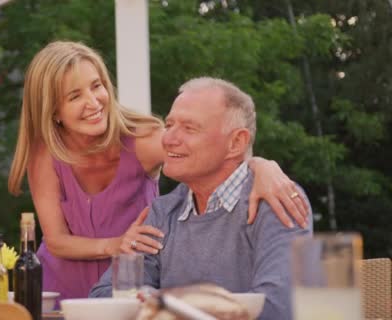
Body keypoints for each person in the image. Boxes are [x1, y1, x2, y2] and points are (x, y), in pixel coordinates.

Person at [7, 41, 309, 301]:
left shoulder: (142, 143)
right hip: (65, 285)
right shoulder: (46, 153)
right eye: (74, 96)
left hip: (134, 270)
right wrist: (118, 245)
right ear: (53, 111)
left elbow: (217, 153)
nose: (93, 101)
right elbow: (57, 240)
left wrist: (262, 166)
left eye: (97, 85)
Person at [90, 77, 312, 319]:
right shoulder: (162, 212)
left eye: (189, 128)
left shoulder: (278, 201)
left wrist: (164, 304)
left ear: (236, 143)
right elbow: (105, 297)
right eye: (169, 124)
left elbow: (276, 309)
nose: (168, 138)